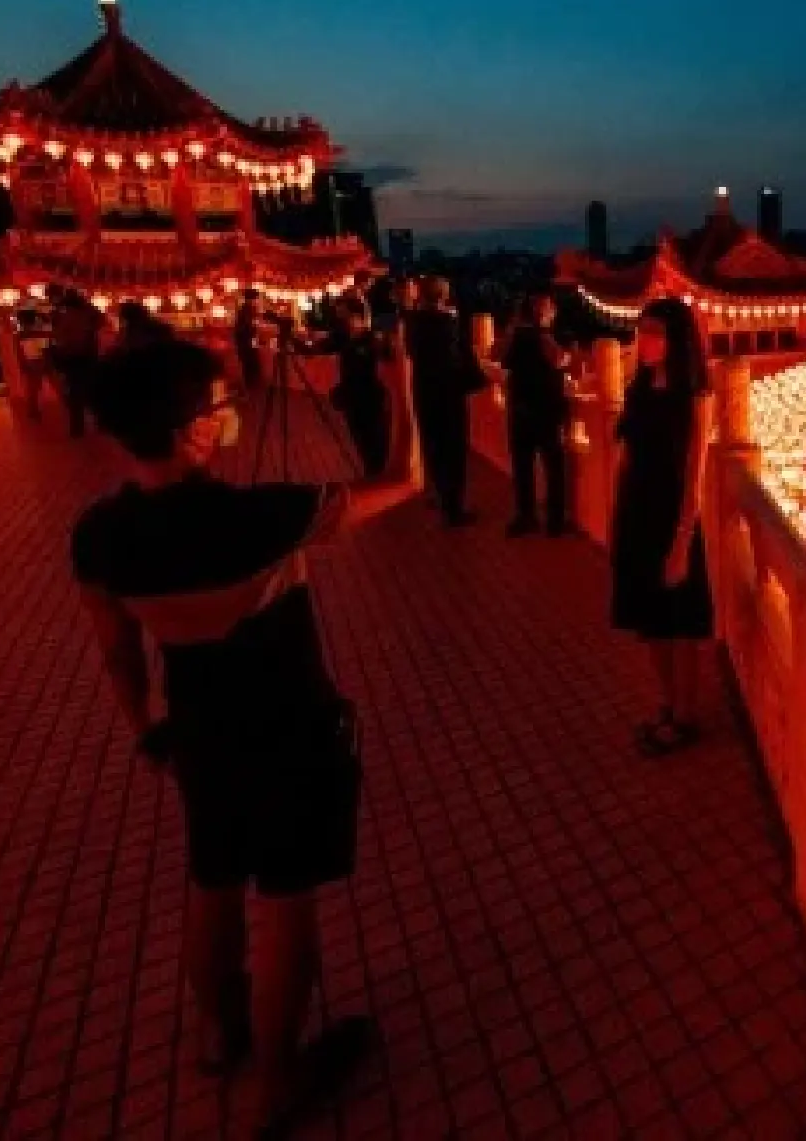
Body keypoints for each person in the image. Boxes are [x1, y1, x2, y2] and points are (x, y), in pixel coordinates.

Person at [71, 338, 417, 1139]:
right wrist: (401, 396)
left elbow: (118, 650)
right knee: (286, 905)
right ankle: (277, 1080)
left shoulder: (100, 536)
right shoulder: (257, 515)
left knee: (214, 880)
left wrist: (149, 731)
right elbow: (400, 485)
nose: (229, 417)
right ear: (191, 429)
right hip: (288, 723)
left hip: (198, 728)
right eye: (220, 405)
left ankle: (218, 1034)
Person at [610, 296, 716, 756]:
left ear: (676, 338)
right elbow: (625, 461)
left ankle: (687, 716)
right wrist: (615, 519)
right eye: (642, 330)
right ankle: (668, 704)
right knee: (651, 623)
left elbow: (695, 476)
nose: (646, 339)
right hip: (637, 514)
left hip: (673, 517)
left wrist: (682, 541)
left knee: (680, 626)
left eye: (655, 331)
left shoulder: (694, 395)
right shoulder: (637, 389)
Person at [402, 276, 487, 527]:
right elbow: (455, 359)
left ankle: (440, 494)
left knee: (433, 445)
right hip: (448, 393)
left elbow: (410, 352)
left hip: (423, 390)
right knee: (453, 449)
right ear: (442, 295)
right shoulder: (446, 323)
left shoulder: (413, 322)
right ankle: (453, 508)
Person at [501, 291, 571, 536]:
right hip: (543, 411)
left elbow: (501, 359)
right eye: (549, 309)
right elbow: (561, 360)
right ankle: (554, 520)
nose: (552, 313)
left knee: (523, 467)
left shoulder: (517, 335)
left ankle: (527, 515)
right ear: (542, 312)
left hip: (521, 409)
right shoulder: (540, 337)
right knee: (553, 466)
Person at [330, 300, 391, 479]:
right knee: (360, 439)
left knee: (374, 439)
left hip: (369, 399)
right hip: (353, 400)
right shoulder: (349, 340)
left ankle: (377, 474)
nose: (344, 321)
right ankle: (371, 472)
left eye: (347, 316)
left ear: (359, 317)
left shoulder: (371, 339)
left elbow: (383, 362)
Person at [47, 288, 103, 437]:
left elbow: (59, 336)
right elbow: (101, 322)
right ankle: (99, 420)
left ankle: (77, 426)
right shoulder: (89, 314)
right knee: (91, 388)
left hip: (72, 356)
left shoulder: (64, 315)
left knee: (74, 390)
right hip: (88, 354)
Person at [235, 290, 266, 393]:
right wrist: (254, 328)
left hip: (245, 342)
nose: (256, 301)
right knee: (250, 364)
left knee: (249, 364)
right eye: (255, 299)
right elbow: (245, 327)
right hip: (245, 342)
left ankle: (250, 386)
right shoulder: (246, 310)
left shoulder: (246, 310)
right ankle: (250, 387)